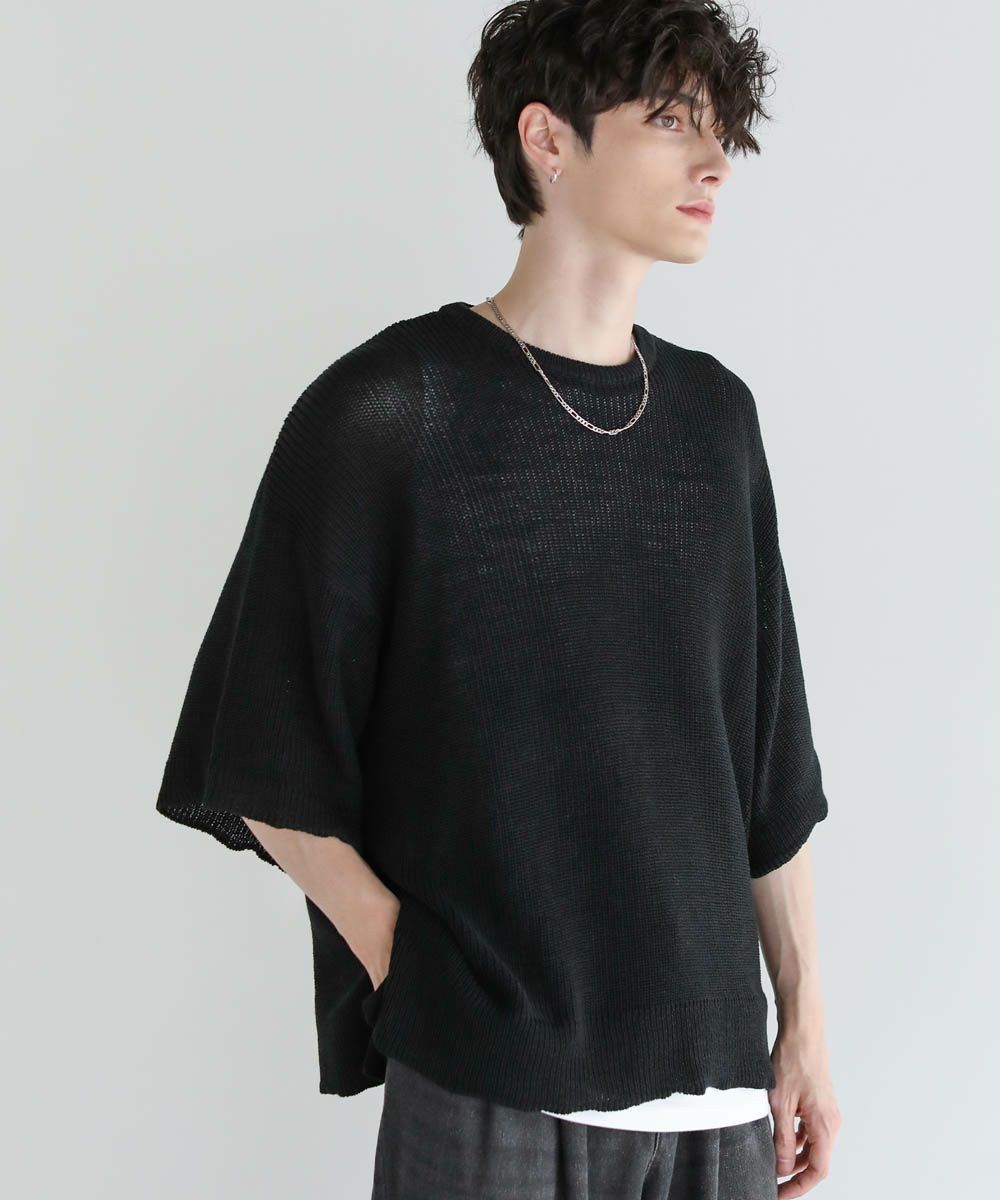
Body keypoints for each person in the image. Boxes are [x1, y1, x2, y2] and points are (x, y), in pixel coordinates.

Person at [155, 1, 841, 1196]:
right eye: (671, 119)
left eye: (719, 126)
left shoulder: (715, 424)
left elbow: (765, 767)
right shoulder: (392, 411)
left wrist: (806, 1027)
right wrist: (414, 968)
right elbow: (257, 743)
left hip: (720, 1098)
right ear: (547, 137)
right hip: (493, 1093)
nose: (714, 161)